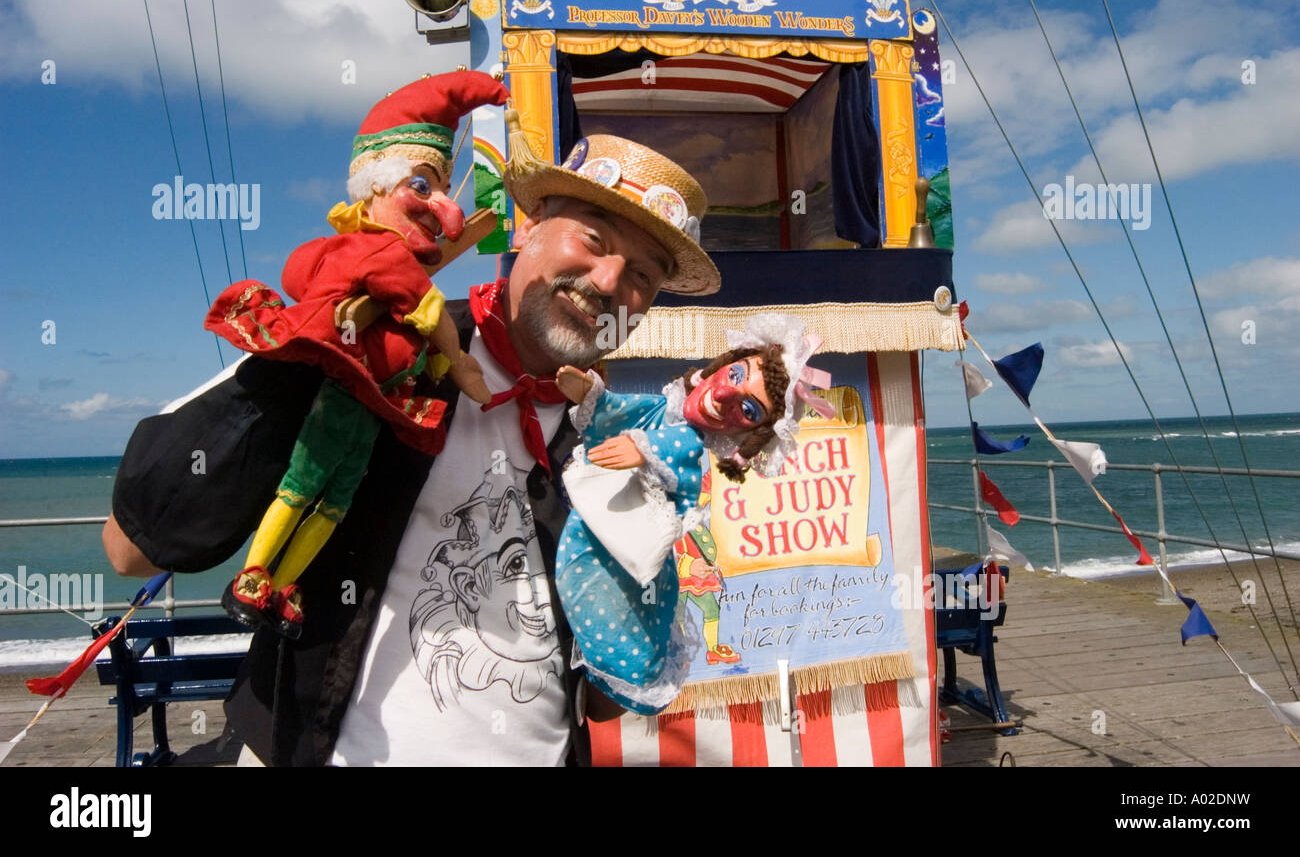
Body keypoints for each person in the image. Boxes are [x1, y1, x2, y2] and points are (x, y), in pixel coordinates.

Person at [102, 109, 720, 765]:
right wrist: (318, 342)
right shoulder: (376, 343)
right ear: (530, 223)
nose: (608, 284)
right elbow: (131, 551)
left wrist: (642, 577)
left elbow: (603, 699)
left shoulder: (621, 444)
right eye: (594, 240)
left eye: (643, 277)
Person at [204, 71, 507, 638]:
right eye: (422, 188)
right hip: (348, 392)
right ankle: (252, 576)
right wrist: (458, 362)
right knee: (303, 484)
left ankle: (285, 584)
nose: (442, 209)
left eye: (440, 190)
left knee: (334, 499)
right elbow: (424, 305)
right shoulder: (375, 250)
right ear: (377, 186)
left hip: (379, 402)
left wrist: (436, 360)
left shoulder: (393, 257)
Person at [551, 315, 832, 714]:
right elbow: (622, 410)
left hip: (620, 539)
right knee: (589, 588)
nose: (725, 396)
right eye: (735, 374)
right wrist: (593, 396)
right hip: (599, 521)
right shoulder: (663, 410)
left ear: (748, 435)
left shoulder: (684, 439)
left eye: (748, 409)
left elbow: (676, 459)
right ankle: (602, 674)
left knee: (604, 598)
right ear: (718, 367)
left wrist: (644, 450)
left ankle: (614, 676)